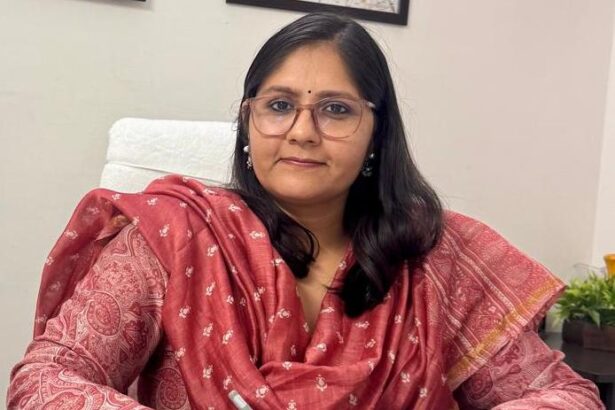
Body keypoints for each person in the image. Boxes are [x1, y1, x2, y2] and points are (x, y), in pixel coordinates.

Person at [7, 12, 604, 410]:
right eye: (279, 105)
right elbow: (46, 379)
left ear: (377, 135)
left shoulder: (431, 256)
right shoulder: (174, 237)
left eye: (336, 110)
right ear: (247, 122)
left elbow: (565, 395)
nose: (302, 131)